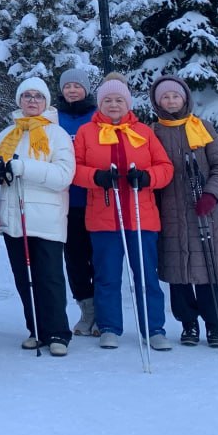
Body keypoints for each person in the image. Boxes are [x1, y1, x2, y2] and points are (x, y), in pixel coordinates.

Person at [72, 73, 174, 352]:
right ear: (100, 104)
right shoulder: (86, 132)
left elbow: (165, 168)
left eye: (118, 100)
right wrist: (96, 177)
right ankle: (109, 327)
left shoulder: (144, 132)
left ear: (127, 103)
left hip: (142, 217)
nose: (113, 105)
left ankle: (153, 328)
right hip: (104, 217)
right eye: (107, 100)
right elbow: (73, 169)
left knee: (146, 277)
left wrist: (146, 177)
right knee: (107, 276)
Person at [0, 78, 74, 355]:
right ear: (19, 100)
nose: (32, 101)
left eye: (37, 96)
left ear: (46, 102)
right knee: (25, 278)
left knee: (49, 278)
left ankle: (58, 332)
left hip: (45, 219)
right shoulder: (7, 134)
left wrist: (25, 168)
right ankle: (35, 329)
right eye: (26, 96)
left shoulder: (56, 134)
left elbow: (63, 176)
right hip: (14, 219)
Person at [149, 75, 218, 348]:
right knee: (178, 273)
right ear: (157, 101)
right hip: (169, 215)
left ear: (184, 98)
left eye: (175, 96)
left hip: (203, 212)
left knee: (208, 272)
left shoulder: (202, 127)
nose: (171, 101)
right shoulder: (153, 132)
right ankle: (188, 325)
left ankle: (215, 324)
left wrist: (211, 194)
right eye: (165, 97)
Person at [55, 67, 99, 335]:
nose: (72, 90)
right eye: (67, 86)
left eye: (77, 86)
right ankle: (87, 309)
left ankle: (104, 312)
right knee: (75, 259)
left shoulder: (97, 116)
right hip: (66, 201)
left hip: (96, 198)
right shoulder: (53, 118)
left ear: (86, 89)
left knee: (100, 258)